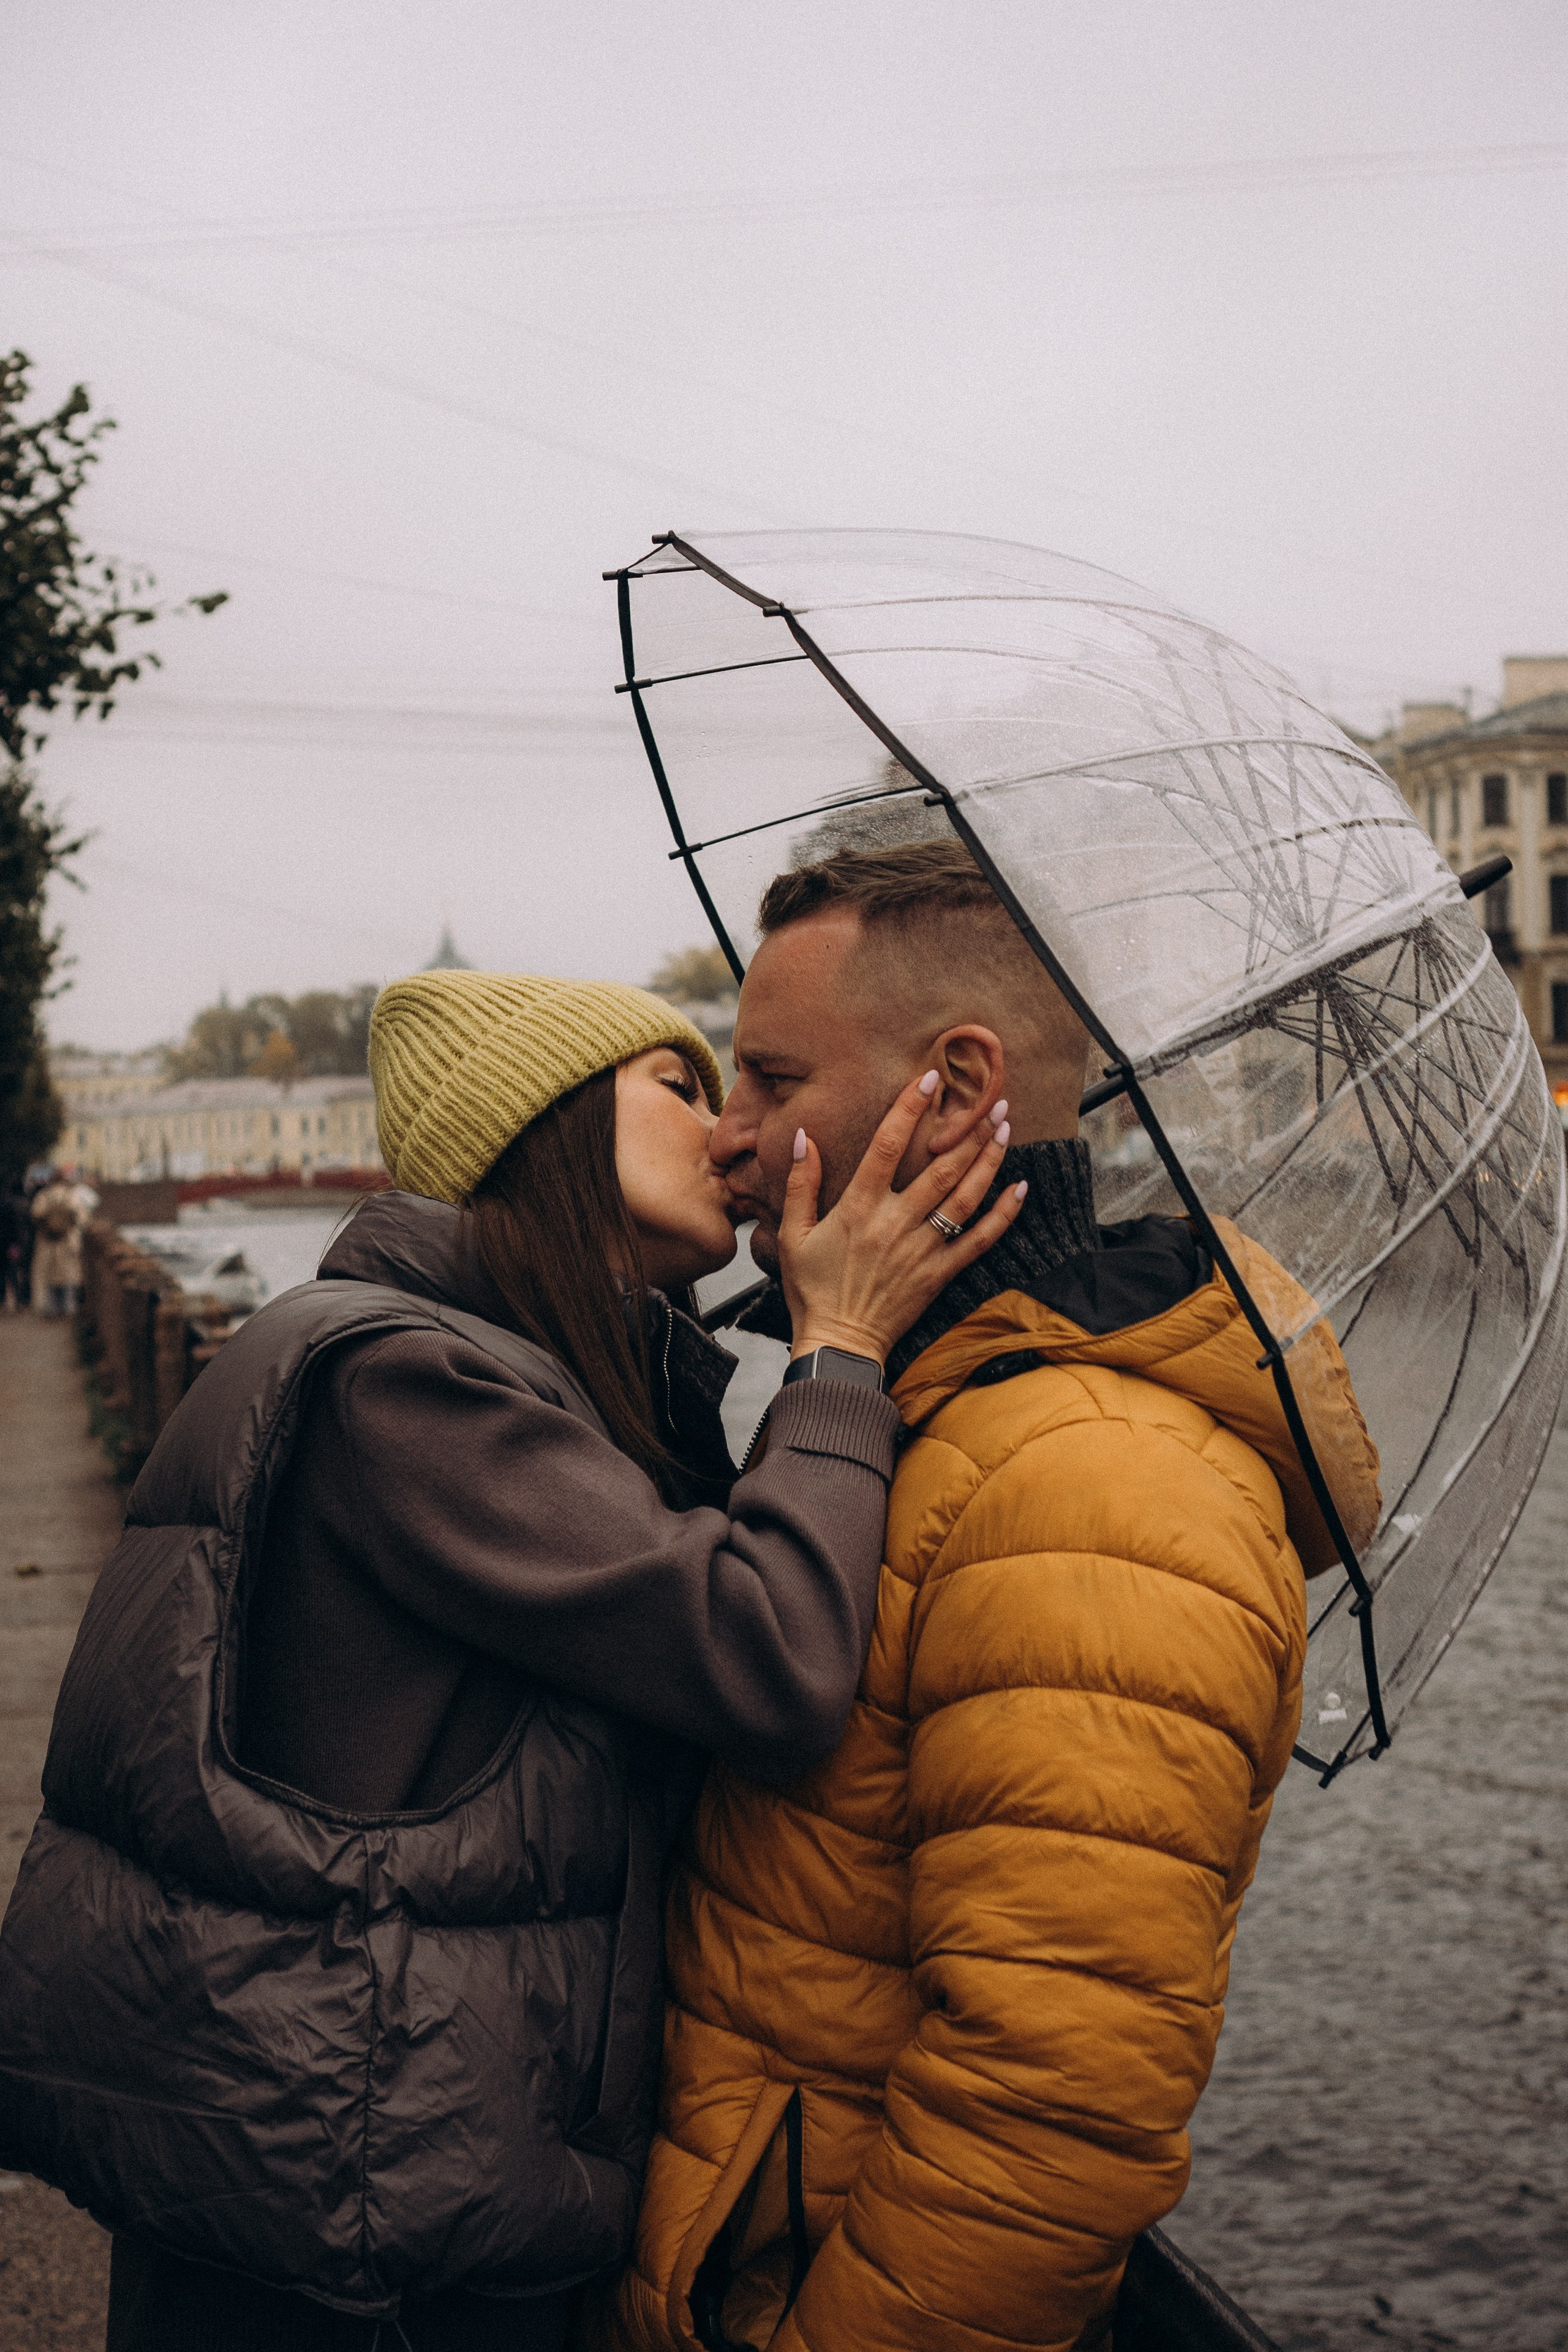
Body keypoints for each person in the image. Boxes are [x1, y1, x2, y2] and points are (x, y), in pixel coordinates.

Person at [0, 968, 1025, 2352]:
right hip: (362, 2221)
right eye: (678, 1087)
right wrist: (839, 1351)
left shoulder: (450, 1361)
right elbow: (767, 1656)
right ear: (540, 1127)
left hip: (359, 2158)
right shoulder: (402, 1382)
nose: (731, 1136)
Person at [598, 844, 1382, 2352]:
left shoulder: (1095, 1485)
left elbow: (1046, 2114)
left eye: (766, 1076)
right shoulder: (913, 1405)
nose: (727, 1138)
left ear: (953, 1091)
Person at [29, 1163, 97, 1316]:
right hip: (67, 1240)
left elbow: (36, 1214)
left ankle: (51, 1308)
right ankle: (68, 1308)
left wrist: (46, 1228)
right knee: (69, 1276)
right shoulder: (71, 1195)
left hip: (47, 1241)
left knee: (48, 1275)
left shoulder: (44, 1195)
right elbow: (82, 1218)